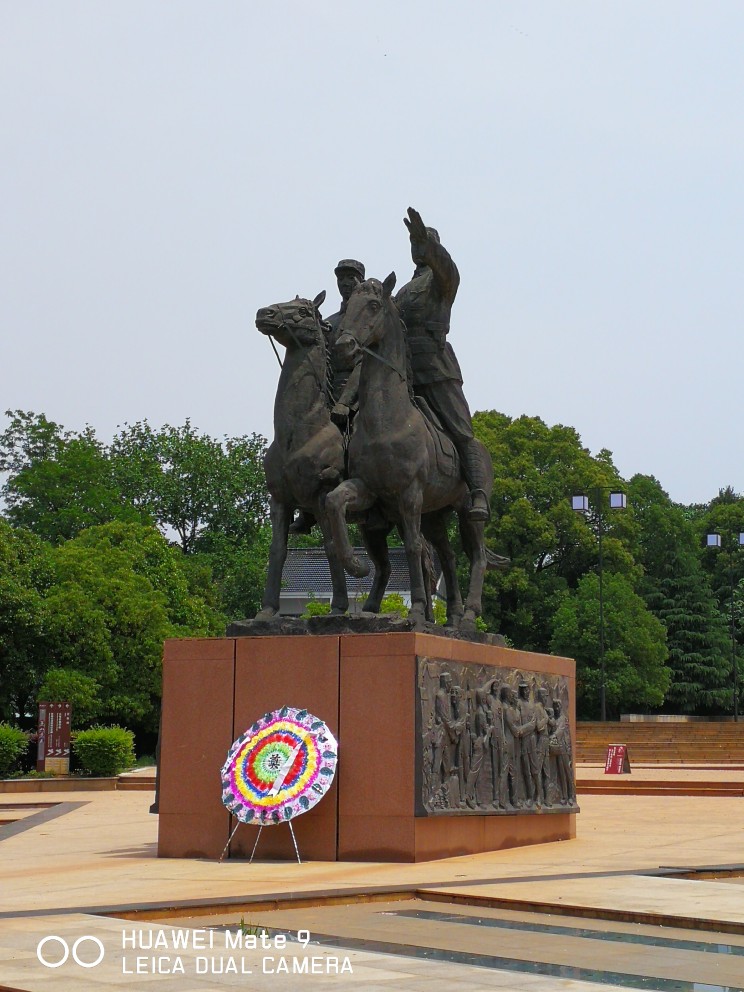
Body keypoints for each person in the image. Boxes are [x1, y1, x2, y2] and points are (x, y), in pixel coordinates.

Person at [394, 207, 490, 520]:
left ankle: (477, 493)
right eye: (413, 245)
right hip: (402, 371)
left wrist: (429, 245)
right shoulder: (403, 292)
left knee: (461, 430)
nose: (416, 250)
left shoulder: (441, 281)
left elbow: (447, 266)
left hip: (435, 367)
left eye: (421, 244)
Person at [289, 258, 365, 535]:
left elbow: (364, 364)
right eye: (341, 278)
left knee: (356, 436)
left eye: (351, 277)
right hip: (327, 393)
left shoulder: (365, 320)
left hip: (358, 392)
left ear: (360, 281)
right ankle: (307, 508)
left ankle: (369, 487)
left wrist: (347, 401)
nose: (345, 282)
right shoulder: (331, 322)